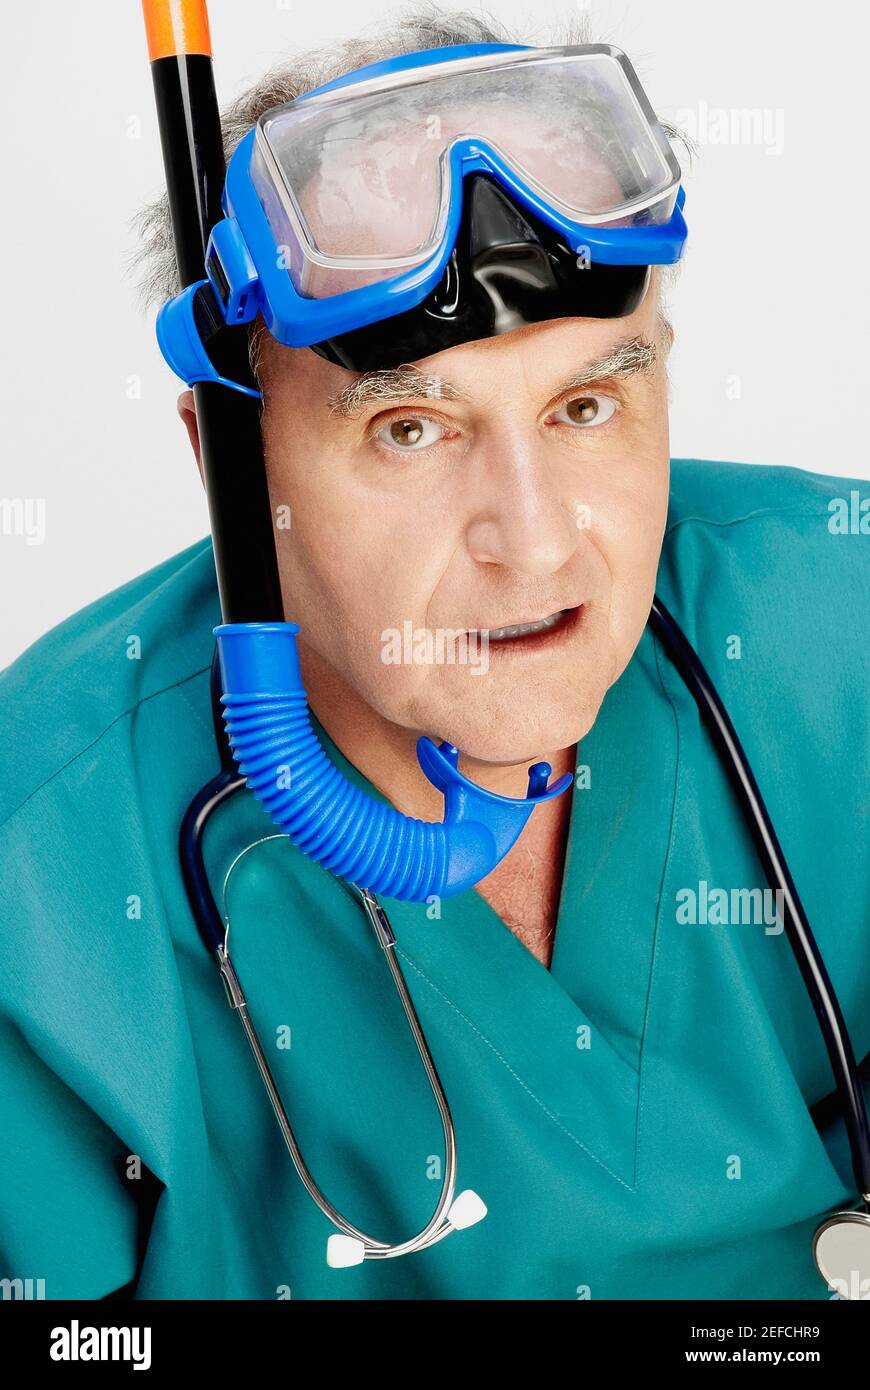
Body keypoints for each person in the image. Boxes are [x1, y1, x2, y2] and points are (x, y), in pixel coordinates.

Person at [0, 8, 867, 1301]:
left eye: (585, 405)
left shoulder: (831, 625)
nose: (531, 542)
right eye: (409, 428)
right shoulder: (43, 859)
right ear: (225, 463)